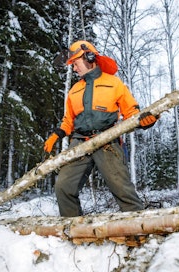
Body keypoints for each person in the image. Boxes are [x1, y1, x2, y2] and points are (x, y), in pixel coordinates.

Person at [44, 40, 158, 217]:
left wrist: (145, 121)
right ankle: (75, 229)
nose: (74, 69)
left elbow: (131, 112)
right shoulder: (74, 89)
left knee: (122, 188)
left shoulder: (114, 83)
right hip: (80, 142)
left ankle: (138, 228)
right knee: (63, 187)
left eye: (75, 63)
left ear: (89, 57)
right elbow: (68, 120)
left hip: (108, 141)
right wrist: (55, 135)